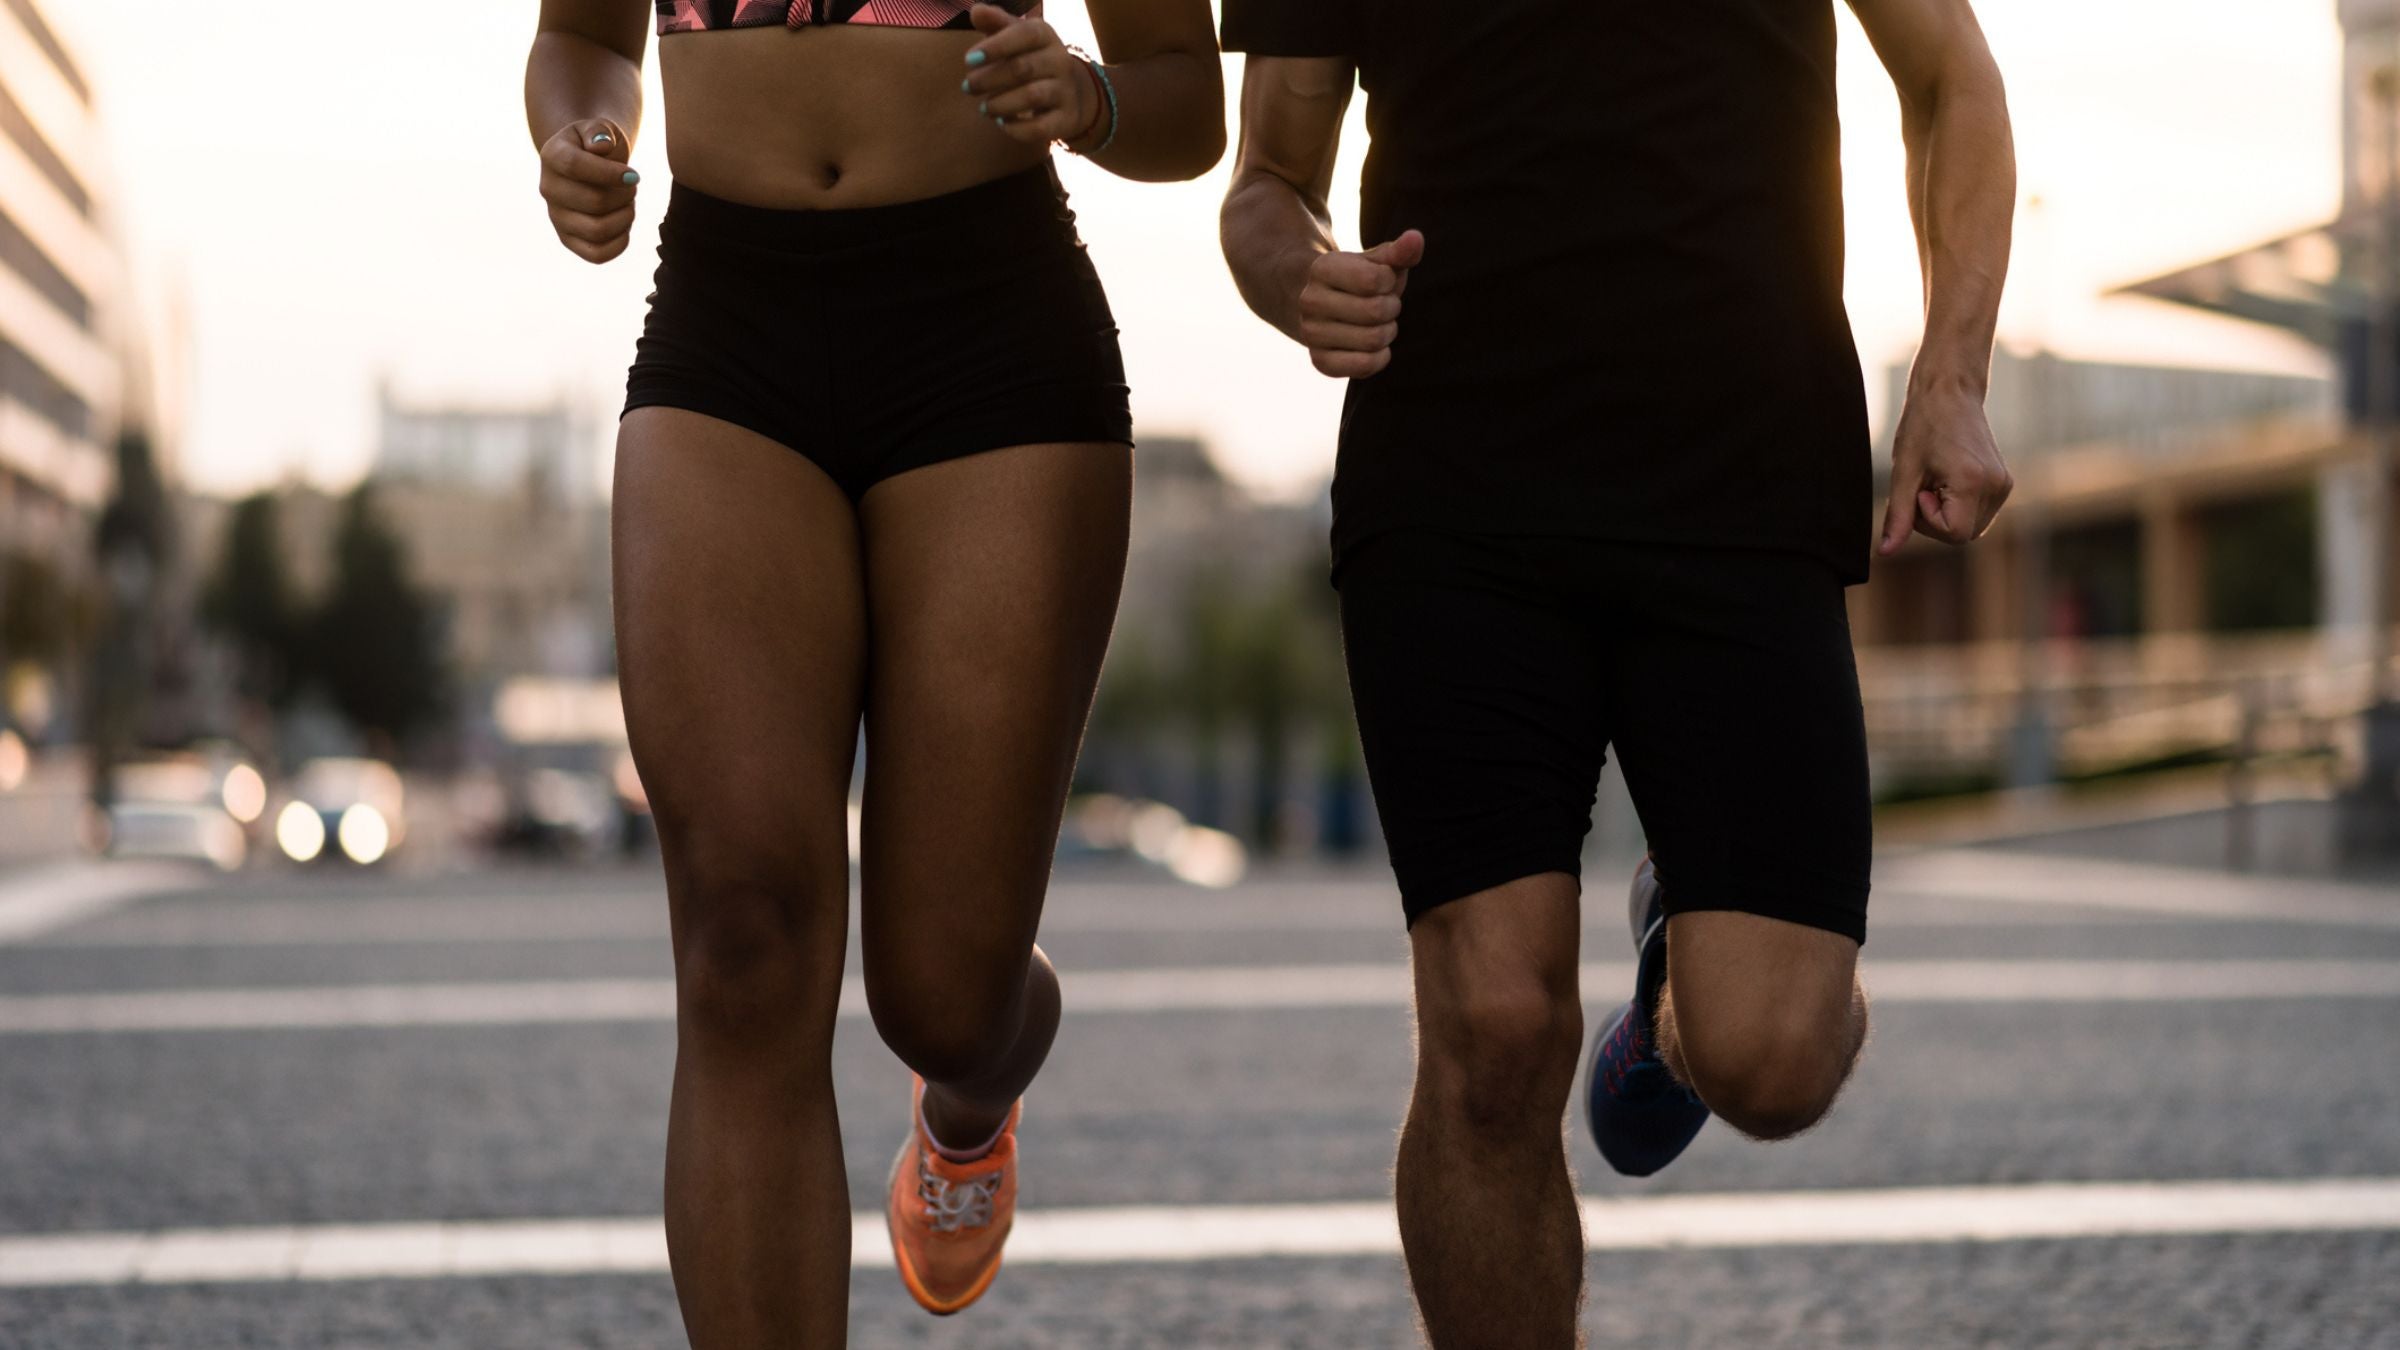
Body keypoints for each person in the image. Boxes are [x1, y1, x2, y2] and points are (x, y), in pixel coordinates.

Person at [1219, 1, 2014, 1344]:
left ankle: (1669, 994)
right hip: (1455, 497)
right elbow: (1267, 181)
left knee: (1774, 1059)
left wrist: (1952, 375)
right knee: (1492, 1031)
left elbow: (1950, 76)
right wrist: (1299, 274)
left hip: (1745, 487)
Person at [525, 2, 1220, 1342]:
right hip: (727, 328)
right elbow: (584, 38)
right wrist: (577, 134)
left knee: (944, 1001)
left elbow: (1187, 101)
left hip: (991, 340)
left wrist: (1091, 100)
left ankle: (972, 1094)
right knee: (741, 938)